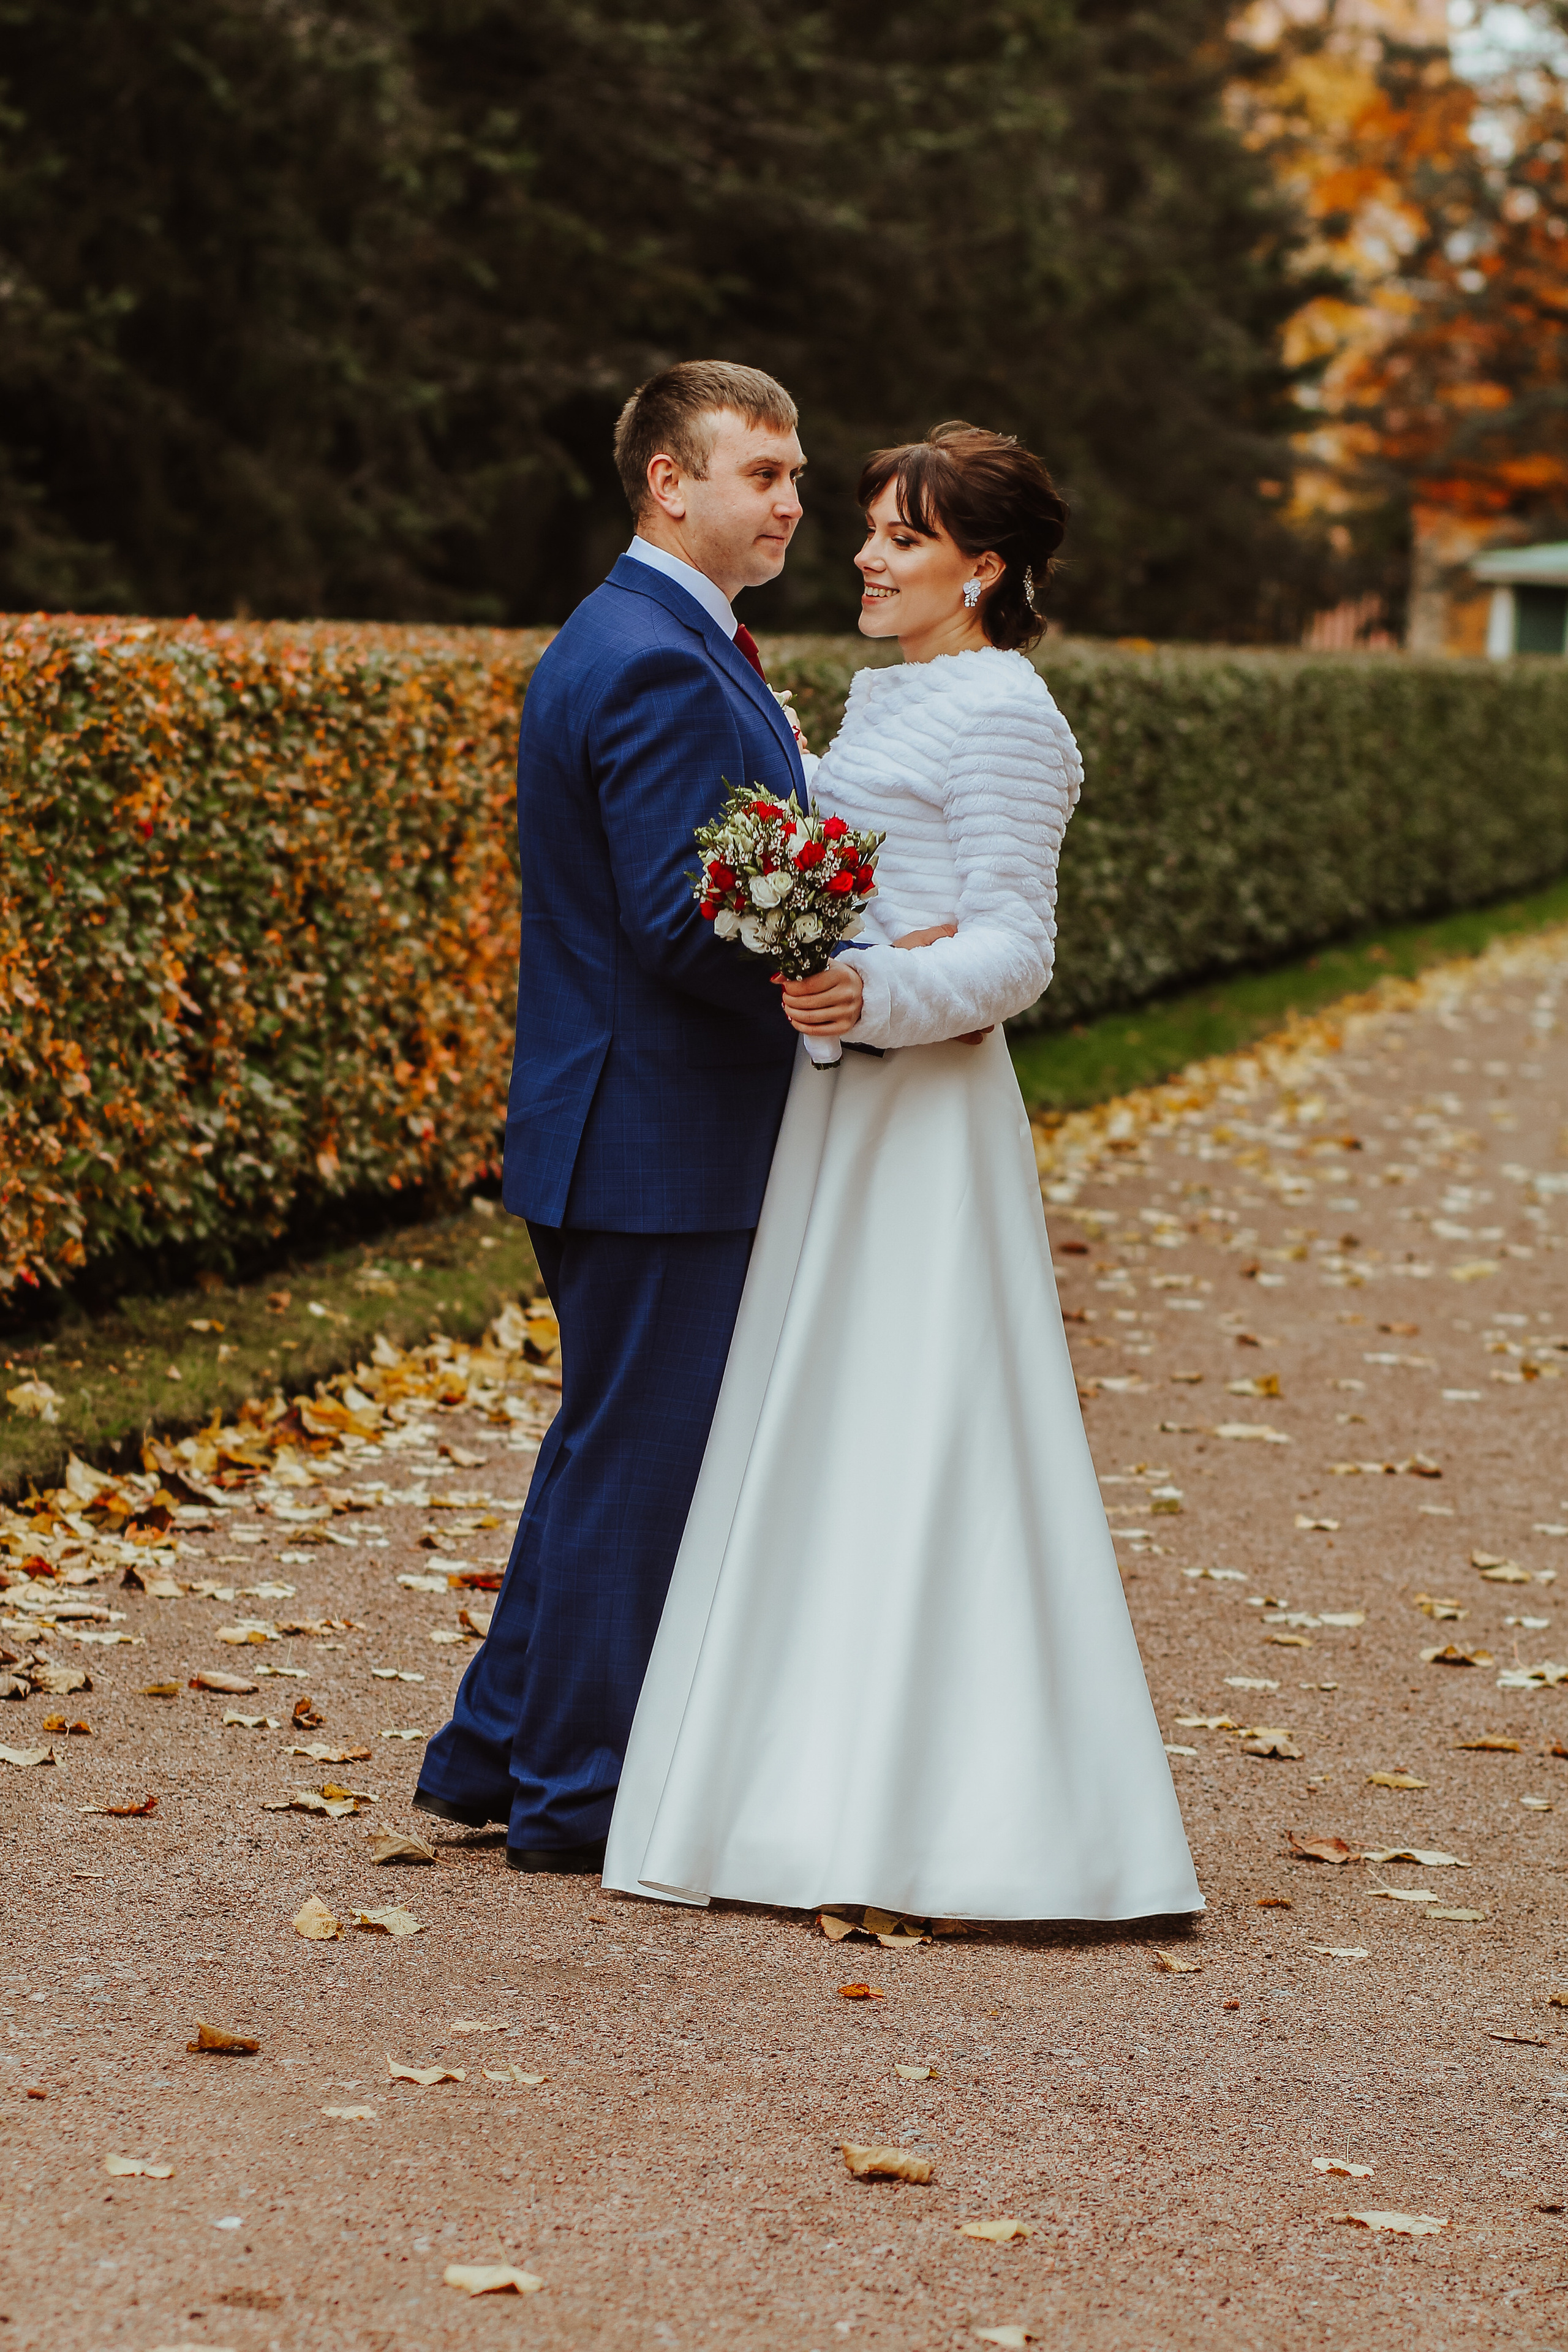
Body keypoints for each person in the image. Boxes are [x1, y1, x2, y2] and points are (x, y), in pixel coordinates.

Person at [603, 423, 1203, 1923]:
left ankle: (965, 1818)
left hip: (926, 1126)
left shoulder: (1003, 712)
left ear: (980, 569)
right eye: (866, 526)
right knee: (822, 1438)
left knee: (928, 1446)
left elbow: (1015, 944)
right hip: (842, 1119)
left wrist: (874, 996)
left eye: (897, 536)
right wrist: (834, 951)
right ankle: (790, 1791)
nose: (861, 553)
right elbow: (861, 880)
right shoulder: (893, 699)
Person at [415, 361, 809, 1871]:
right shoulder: (649, 656)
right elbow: (677, 919)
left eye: (792, 476)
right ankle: (577, 1797)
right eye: (760, 474)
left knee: (606, 1450)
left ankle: (493, 1753)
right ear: (669, 482)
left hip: (626, 1127)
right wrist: (830, 986)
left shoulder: (653, 633)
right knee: (636, 1465)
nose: (787, 502)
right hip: (657, 1136)